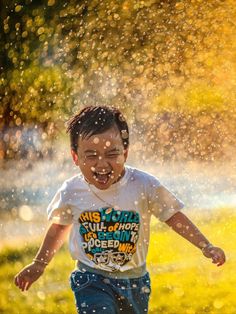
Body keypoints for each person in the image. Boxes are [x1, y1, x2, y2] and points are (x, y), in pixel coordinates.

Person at [14, 106, 226, 314]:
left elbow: (173, 216)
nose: (102, 163)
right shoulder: (72, 190)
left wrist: (205, 245)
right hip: (91, 279)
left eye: (111, 153)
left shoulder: (143, 185)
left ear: (125, 153)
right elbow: (59, 227)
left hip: (135, 282)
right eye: (91, 155)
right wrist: (39, 264)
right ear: (75, 157)